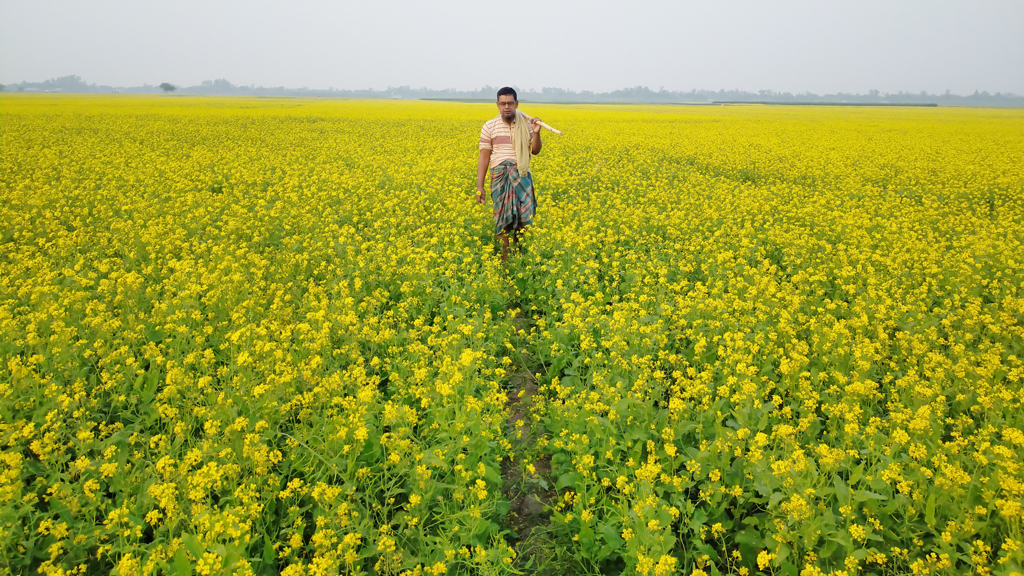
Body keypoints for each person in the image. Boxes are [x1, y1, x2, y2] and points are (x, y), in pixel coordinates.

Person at [476, 86, 543, 261]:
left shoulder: (527, 123)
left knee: (523, 222)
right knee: (502, 222)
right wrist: (479, 187)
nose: (507, 107)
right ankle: (504, 262)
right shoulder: (489, 126)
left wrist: (536, 134)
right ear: (497, 104)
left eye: (510, 103)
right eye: (503, 103)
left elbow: (535, 151)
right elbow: (484, 157)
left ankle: (520, 260)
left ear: (516, 104)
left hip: (521, 176)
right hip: (499, 176)